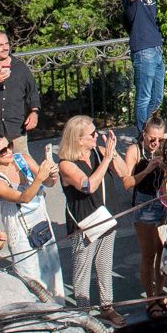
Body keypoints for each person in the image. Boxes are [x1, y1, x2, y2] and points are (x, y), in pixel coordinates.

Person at [55, 119, 123, 318]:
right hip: (84, 223)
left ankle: (107, 306)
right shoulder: (66, 164)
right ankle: (83, 311)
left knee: (104, 264)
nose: (96, 136)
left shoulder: (99, 152)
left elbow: (124, 172)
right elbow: (88, 186)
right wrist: (106, 160)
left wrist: (113, 153)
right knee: (83, 269)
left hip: (106, 218)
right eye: (92, 134)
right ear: (78, 139)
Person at [0, 135, 64, 298]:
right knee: (31, 277)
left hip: (41, 220)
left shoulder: (23, 159)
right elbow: (23, 197)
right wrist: (40, 177)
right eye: (2, 151)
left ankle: (59, 310)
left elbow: (48, 183)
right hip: (20, 230)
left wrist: (52, 175)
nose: (8, 152)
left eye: (9, 146)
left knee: (52, 270)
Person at [0, 28, 42, 167]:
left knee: (24, 166)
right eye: (0, 45)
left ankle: (35, 189)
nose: (5, 48)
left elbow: (32, 92)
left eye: (6, 44)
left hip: (15, 128)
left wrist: (34, 112)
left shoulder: (20, 67)